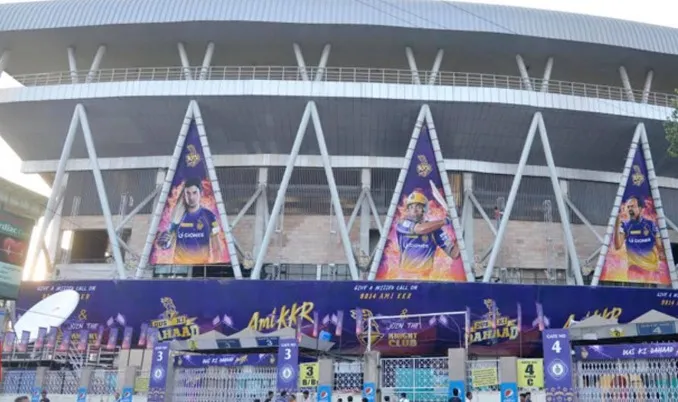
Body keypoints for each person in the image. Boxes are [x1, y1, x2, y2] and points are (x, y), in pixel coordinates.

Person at [157, 177, 223, 264]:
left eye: (194, 193)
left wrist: (214, 267)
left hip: (201, 267)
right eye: (188, 193)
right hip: (180, 267)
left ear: (200, 193)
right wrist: (163, 242)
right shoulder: (178, 216)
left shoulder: (209, 216)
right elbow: (167, 244)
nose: (191, 197)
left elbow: (217, 247)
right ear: (184, 195)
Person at [396, 190, 459, 276]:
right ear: (408, 210)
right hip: (405, 276)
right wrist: (446, 220)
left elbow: (454, 254)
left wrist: (459, 236)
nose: (414, 210)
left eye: (418, 207)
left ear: (424, 209)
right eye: (411, 207)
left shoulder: (435, 229)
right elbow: (420, 229)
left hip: (426, 278)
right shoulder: (402, 223)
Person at [614, 195, 664, 281]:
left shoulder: (650, 224)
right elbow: (617, 246)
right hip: (634, 268)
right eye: (628, 207)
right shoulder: (625, 225)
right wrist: (616, 226)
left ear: (640, 208)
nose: (630, 209)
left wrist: (661, 252)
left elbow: (659, 246)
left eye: (632, 206)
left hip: (651, 268)